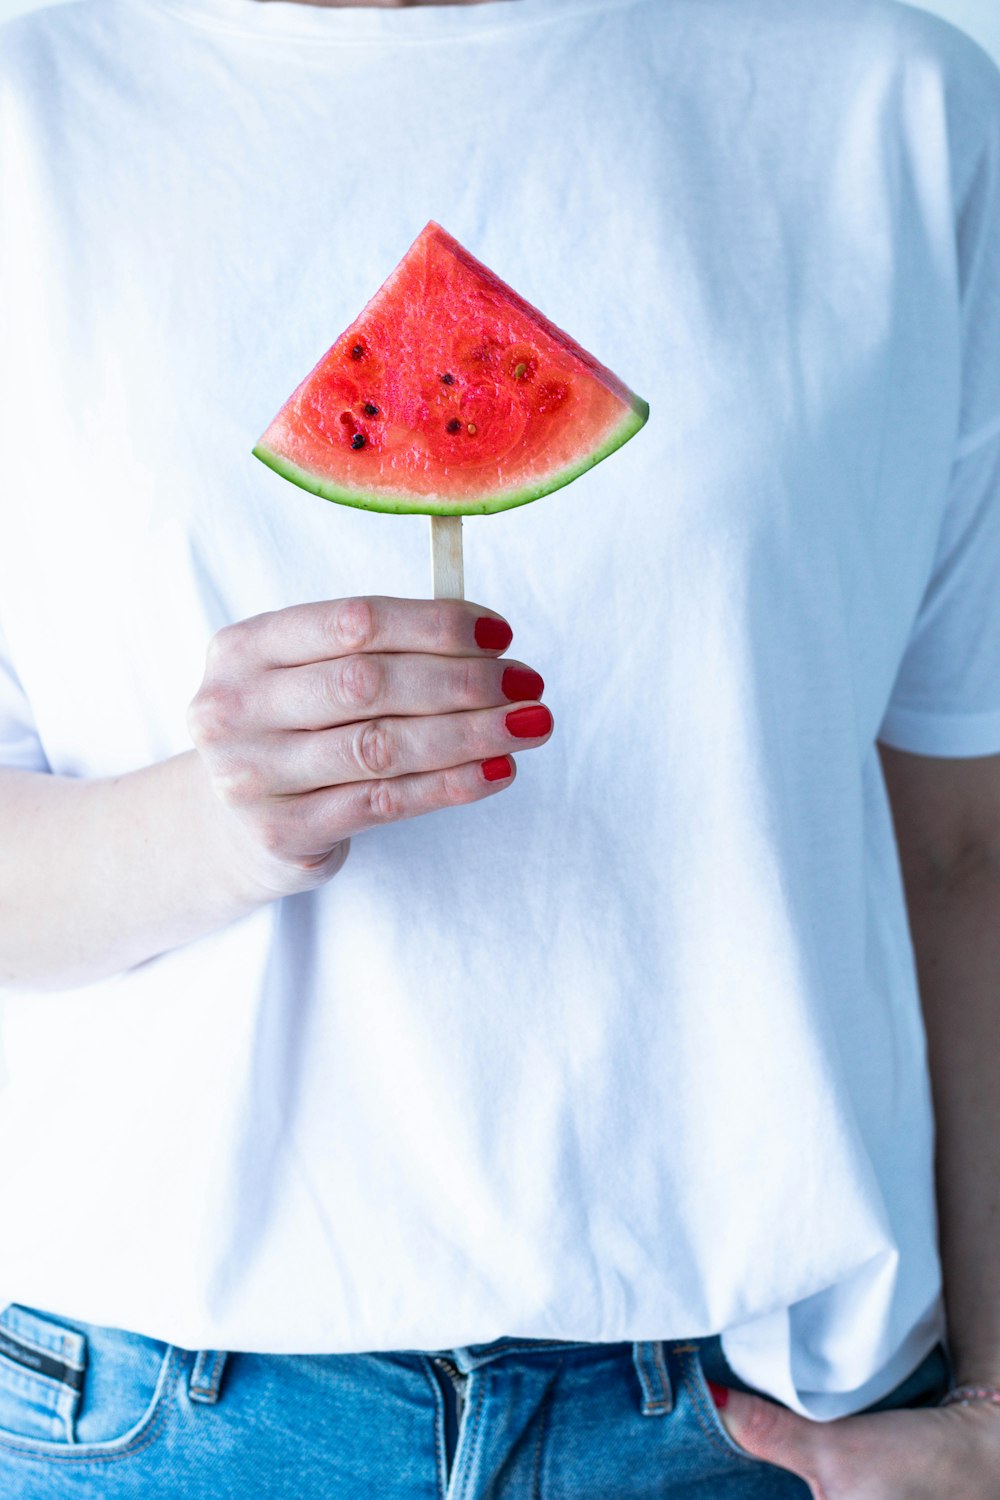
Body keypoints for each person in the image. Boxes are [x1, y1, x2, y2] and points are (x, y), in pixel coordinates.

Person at [0, 0, 998, 1493]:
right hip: (156, 1418)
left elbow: (964, 847)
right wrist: (215, 822)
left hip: (768, 1424)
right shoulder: (29, 110)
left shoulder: (894, 104)